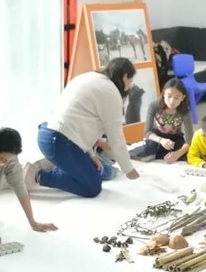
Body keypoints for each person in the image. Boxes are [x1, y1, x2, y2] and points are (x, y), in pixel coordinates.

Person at [32, 58, 140, 198]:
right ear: (125, 76)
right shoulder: (111, 92)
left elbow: (81, 126)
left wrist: (91, 155)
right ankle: (40, 176)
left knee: (101, 171)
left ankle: (60, 166)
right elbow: (116, 138)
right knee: (93, 188)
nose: (129, 85)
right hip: (60, 141)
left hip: (48, 135)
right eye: (130, 81)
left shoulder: (88, 77)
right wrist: (129, 169)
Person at [128, 78, 194, 164]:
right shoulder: (154, 106)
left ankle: (158, 153)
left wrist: (177, 154)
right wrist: (161, 140)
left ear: (183, 97)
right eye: (169, 96)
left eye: (176, 98)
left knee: (188, 153)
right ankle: (158, 152)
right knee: (148, 149)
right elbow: (147, 132)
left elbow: (189, 140)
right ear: (163, 94)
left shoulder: (185, 112)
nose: (171, 101)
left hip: (175, 139)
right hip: (156, 138)